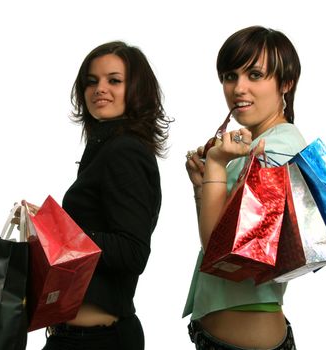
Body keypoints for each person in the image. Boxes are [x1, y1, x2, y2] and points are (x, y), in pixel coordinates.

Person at [23, 41, 171, 350]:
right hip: (74, 336)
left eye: (113, 80)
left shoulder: (125, 151)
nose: (99, 89)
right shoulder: (105, 146)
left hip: (99, 340)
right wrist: (53, 228)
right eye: (92, 81)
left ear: (136, 90)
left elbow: (133, 252)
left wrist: (63, 232)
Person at [183, 26, 306, 350]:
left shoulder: (278, 150)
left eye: (254, 74)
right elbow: (223, 232)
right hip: (224, 335)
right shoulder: (254, 147)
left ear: (286, 82)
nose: (239, 88)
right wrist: (204, 184)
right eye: (229, 75)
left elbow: (218, 250)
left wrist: (215, 166)